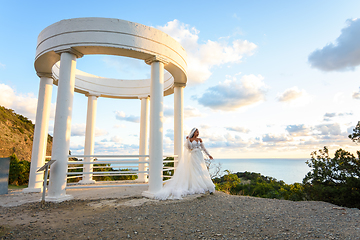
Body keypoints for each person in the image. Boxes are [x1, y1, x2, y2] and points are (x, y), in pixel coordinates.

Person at [154, 127, 215, 200]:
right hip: (193, 155)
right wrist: (188, 140)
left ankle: (203, 185)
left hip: (199, 155)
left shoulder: (200, 140)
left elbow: (204, 148)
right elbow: (189, 148)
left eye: (198, 132)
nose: (198, 133)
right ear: (193, 132)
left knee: (200, 169)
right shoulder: (189, 139)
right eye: (196, 132)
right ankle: (194, 185)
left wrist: (208, 155)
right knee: (194, 169)